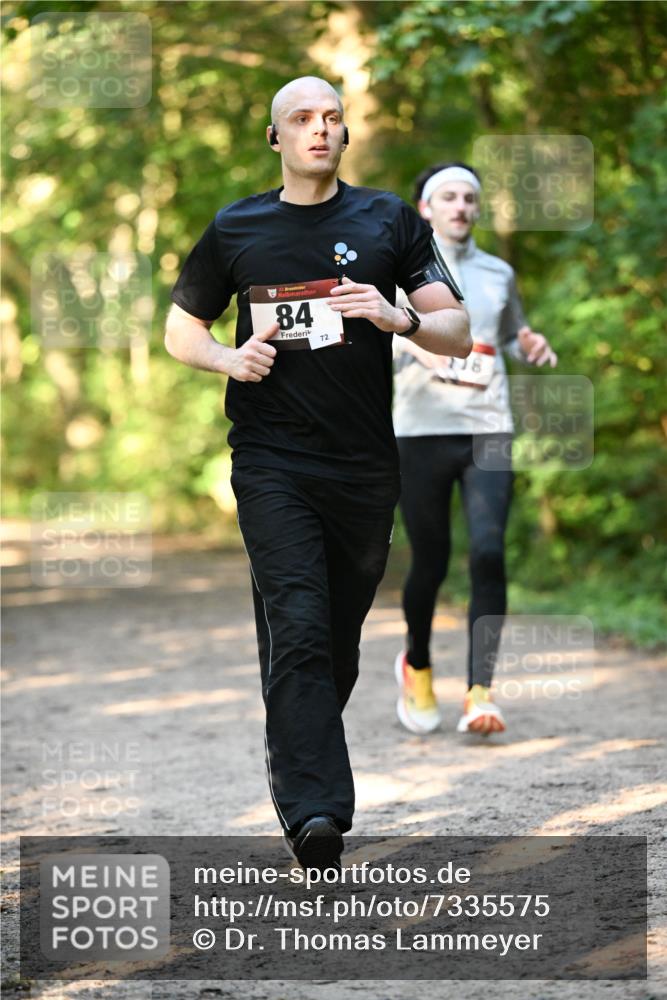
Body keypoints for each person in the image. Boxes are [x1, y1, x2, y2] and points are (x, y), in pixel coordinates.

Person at [164, 80, 470, 871]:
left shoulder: (387, 220)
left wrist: (396, 315)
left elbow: (456, 330)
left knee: (330, 643)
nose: (319, 130)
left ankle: (296, 745)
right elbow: (179, 329)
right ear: (275, 138)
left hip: (365, 467)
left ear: (344, 134)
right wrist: (230, 358)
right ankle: (317, 814)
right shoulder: (237, 225)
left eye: (331, 118)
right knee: (296, 623)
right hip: (270, 459)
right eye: (302, 119)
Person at [393, 161, 557, 737]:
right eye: (449, 197)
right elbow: (375, 343)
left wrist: (527, 341)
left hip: (488, 427)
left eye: (470, 198)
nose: (461, 206)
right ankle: (416, 664)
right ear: (426, 210)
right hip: (419, 430)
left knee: (488, 550)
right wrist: (419, 345)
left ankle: (480, 692)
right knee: (431, 561)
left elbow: (509, 331)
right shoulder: (397, 274)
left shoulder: (497, 273)